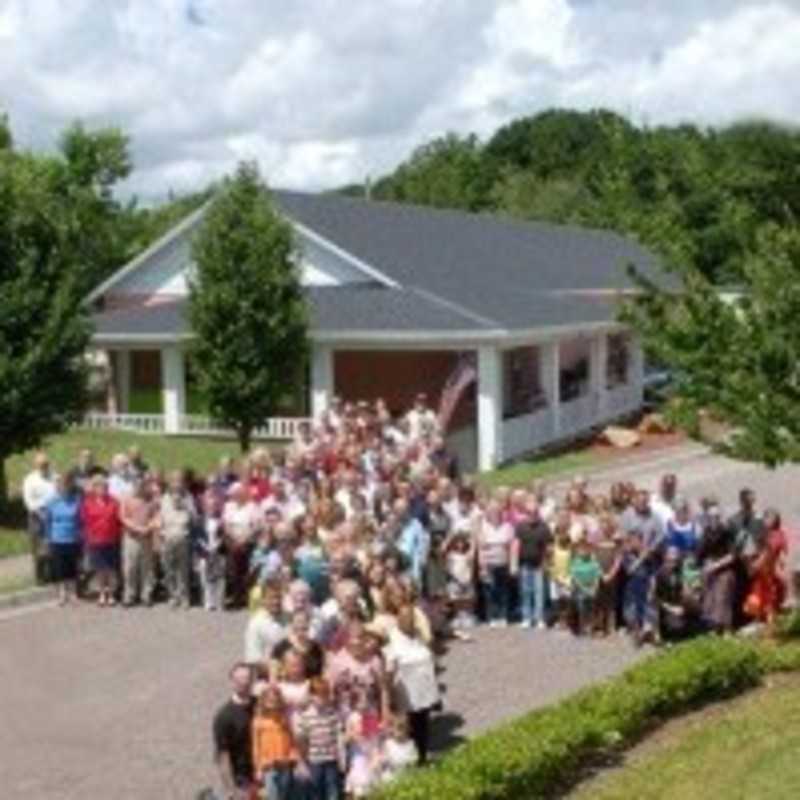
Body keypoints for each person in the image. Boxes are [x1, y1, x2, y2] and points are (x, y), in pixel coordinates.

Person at [383, 604, 439, 765]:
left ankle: (422, 756)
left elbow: (429, 655)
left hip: (424, 690)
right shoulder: (392, 637)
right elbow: (389, 669)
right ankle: (409, 761)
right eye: (405, 617)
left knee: (423, 725)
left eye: (411, 617)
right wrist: (389, 696)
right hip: (405, 693)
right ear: (398, 619)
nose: (409, 620)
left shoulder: (418, 634)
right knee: (408, 728)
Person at [295, 678, 345, 800]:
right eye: (318, 695)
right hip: (314, 761)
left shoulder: (332, 714)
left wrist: (341, 757)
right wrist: (301, 762)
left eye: (325, 695)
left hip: (331, 760)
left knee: (332, 792)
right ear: (311, 696)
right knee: (315, 793)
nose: (322, 699)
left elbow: (338, 736)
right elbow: (302, 741)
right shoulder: (305, 716)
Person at [213, 663, 255, 800]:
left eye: (248, 678)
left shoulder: (262, 705)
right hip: (242, 779)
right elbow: (222, 755)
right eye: (239, 679)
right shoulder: (224, 717)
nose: (244, 682)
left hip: (265, 774)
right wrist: (231, 790)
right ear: (232, 681)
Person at [80, 474, 122, 606]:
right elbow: (84, 522)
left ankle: (111, 594)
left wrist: (118, 536)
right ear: (94, 488)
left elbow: (119, 520)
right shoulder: (87, 503)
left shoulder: (114, 501)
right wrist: (88, 538)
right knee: (99, 569)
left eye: (104, 486)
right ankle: (102, 593)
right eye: (98, 486)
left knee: (111, 569)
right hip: (95, 541)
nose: (102, 488)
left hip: (111, 540)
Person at [252, 685, 300, 800]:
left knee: (285, 796)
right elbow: (256, 746)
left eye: (275, 700)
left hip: (284, 764)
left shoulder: (284, 719)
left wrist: (293, 757)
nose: (272, 703)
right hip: (269, 766)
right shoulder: (258, 721)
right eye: (269, 700)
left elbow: (292, 741)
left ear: (279, 701)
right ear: (263, 701)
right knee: (272, 796)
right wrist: (258, 768)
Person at [744, 508, 788, 632]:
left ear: (775, 520)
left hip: (770, 573)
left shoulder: (778, 534)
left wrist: (756, 565)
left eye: (769, 517)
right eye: (765, 517)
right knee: (757, 597)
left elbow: (772, 552)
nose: (765, 520)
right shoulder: (762, 534)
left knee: (769, 599)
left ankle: (769, 625)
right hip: (761, 574)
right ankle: (758, 621)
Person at [43, 472, 83, 606]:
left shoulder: (76, 501)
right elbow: (48, 522)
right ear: (58, 487)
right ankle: (62, 594)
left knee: (73, 567)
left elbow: (80, 521)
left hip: (73, 539)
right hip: (57, 540)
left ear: (70, 486)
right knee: (60, 568)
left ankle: (73, 593)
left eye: (67, 485)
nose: (64, 487)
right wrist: (48, 539)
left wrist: (81, 535)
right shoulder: (52, 503)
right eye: (62, 485)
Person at [511, 500, 551, 629]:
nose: (532, 515)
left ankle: (539, 618)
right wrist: (514, 564)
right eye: (529, 512)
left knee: (539, 592)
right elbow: (515, 546)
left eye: (534, 512)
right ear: (526, 513)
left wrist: (546, 563)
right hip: (524, 564)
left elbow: (548, 547)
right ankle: (526, 618)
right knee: (525, 592)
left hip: (539, 564)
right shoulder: (520, 526)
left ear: (538, 513)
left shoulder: (544, 527)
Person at [120, 478, 159, 607]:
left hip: (146, 538)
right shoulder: (126, 499)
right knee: (129, 568)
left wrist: (149, 527)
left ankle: (146, 595)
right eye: (137, 485)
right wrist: (137, 528)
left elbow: (156, 516)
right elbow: (123, 517)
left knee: (146, 568)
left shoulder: (151, 500)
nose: (139, 487)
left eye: (142, 485)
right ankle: (129, 595)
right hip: (131, 538)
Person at [160, 470, 196, 608]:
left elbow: (195, 519)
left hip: (183, 537)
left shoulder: (188, 497)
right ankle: (173, 595)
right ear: (170, 483)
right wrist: (160, 535)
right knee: (169, 569)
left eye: (179, 481)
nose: (176, 484)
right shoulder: (164, 497)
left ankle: (184, 597)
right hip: (167, 538)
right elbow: (161, 518)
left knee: (183, 570)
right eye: (174, 481)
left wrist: (185, 506)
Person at [476, 501, 514, 627]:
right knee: (490, 592)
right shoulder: (483, 527)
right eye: (492, 511)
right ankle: (492, 616)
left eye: (497, 511)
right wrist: (482, 566)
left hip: (503, 563)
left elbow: (511, 546)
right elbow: (481, 547)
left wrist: (512, 564)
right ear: (488, 513)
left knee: (503, 592)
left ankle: (503, 616)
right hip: (488, 564)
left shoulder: (507, 526)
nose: (494, 514)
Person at [22, 452, 57, 584]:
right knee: (38, 548)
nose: (44, 466)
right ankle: (40, 577)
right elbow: (28, 501)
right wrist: (39, 513)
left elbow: (58, 494)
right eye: (41, 464)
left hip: (53, 514)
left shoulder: (54, 476)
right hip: (36, 515)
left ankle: (53, 574)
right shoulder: (30, 479)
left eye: (46, 464)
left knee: (53, 546)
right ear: (36, 465)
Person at [245, 582, 288, 666]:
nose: (276, 602)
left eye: (279, 597)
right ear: (263, 600)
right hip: (267, 671)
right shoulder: (256, 624)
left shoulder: (289, 618)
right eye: (271, 598)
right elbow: (253, 658)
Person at [569, 539, 601, 636]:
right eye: (581, 550)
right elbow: (575, 578)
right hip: (579, 589)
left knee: (592, 607)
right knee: (581, 606)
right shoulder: (575, 562)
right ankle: (581, 627)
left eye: (586, 550)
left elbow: (597, 576)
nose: (583, 552)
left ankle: (590, 626)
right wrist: (584, 589)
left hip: (591, 588)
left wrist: (595, 587)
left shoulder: (593, 562)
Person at [380, 715, 418, 784]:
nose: (399, 733)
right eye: (397, 729)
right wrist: (385, 760)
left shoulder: (410, 744)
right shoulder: (389, 744)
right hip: (391, 776)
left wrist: (410, 763)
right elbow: (384, 760)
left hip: (405, 775)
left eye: (402, 729)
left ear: (407, 730)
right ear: (392, 730)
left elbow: (414, 759)